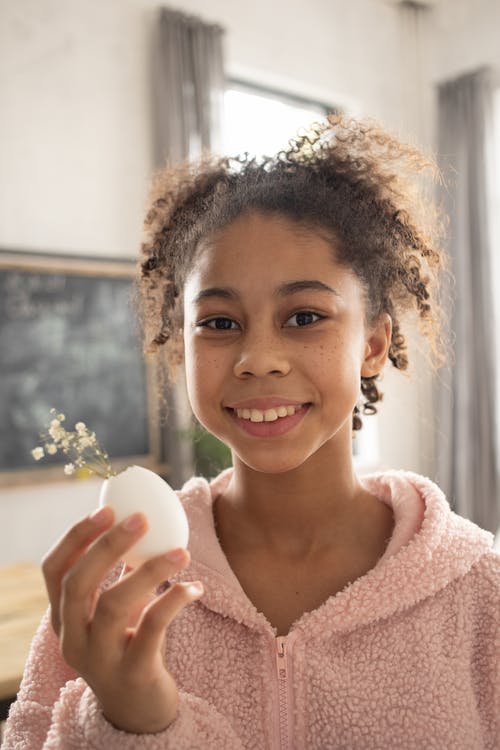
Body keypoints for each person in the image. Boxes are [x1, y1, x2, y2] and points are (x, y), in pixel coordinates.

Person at [3, 116, 499, 750]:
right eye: (218, 323)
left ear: (373, 343)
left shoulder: (481, 594)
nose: (257, 358)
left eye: (304, 316)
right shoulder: (116, 589)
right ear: (179, 349)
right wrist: (130, 721)